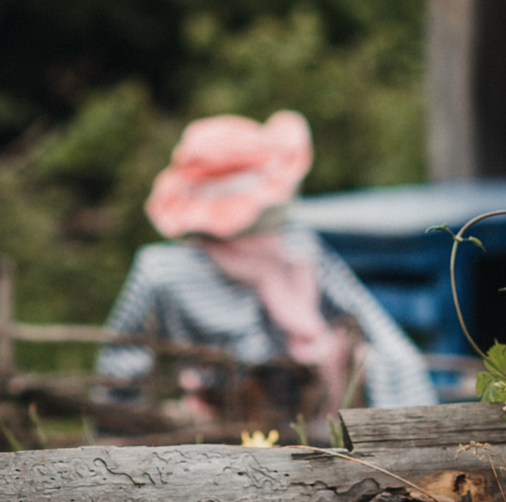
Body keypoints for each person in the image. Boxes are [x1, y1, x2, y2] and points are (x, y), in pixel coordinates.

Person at [100, 110, 438, 418]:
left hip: (310, 420)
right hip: (226, 432)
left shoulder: (298, 248)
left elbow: (118, 378)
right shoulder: (166, 271)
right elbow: (120, 378)